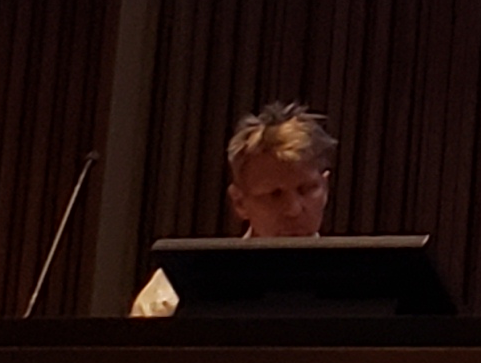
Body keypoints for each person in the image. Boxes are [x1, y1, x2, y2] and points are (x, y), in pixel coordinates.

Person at [130, 103, 333, 316]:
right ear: (239, 202)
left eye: (306, 189)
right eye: (275, 194)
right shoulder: (174, 292)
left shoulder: (354, 282)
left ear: (326, 187)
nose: (293, 210)